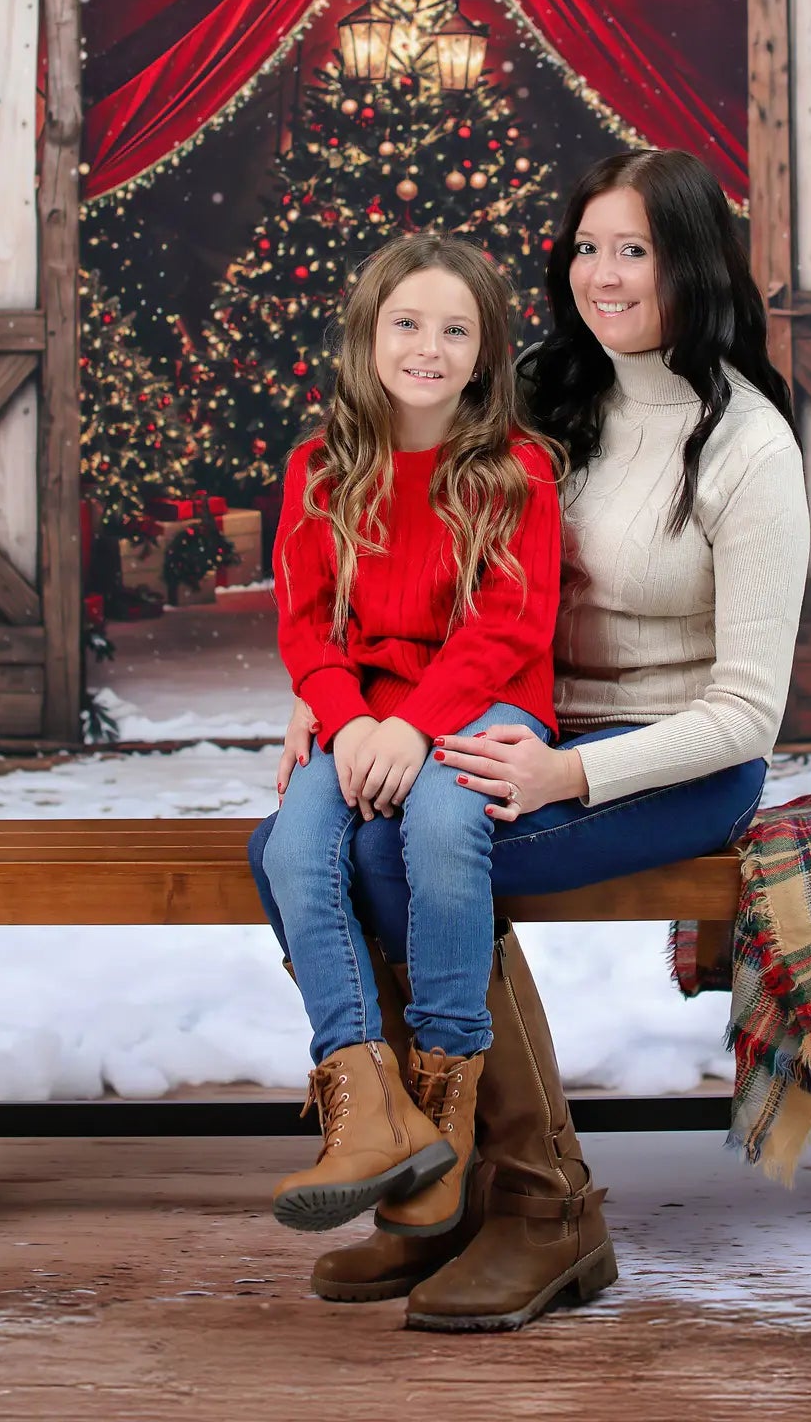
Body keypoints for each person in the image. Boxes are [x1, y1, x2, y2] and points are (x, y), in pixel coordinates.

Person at [257, 148, 811, 1332]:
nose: (604, 275)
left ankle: (544, 1206)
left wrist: (569, 770)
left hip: (673, 762)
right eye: (588, 247)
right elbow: (425, 569)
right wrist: (335, 695)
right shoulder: (564, 393)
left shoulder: (748, 447)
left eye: (637, 250)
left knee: (410, 856)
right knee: (354, 842)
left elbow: (747, 709)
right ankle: (433, 1184)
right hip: (515, 719)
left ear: (695, 262)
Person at [250, 232, 563, 1242]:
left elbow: (508, 624)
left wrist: (413, 726)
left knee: (437, 826)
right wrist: (347, 719)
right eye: (407, 322)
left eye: (455, 328)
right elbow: (305, 624)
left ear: (485, 351)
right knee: (294, 843)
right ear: (367, 333)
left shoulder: (515, 471)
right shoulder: (318, 468)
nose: (428, 346)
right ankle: (370, 1104)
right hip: (361, 715)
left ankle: (449, 1103)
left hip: (483, 701)